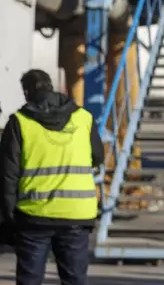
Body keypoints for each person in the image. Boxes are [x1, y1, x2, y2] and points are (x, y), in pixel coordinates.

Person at [0, 69, 104, 284]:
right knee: (75, 279)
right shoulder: (84, 118)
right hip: (77, 213)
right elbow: (97, 156)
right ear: (50, 86)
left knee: (30, 279)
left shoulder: (19, 122)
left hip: (34, 216)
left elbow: (7, 176)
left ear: (27, 91)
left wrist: (10, 221)